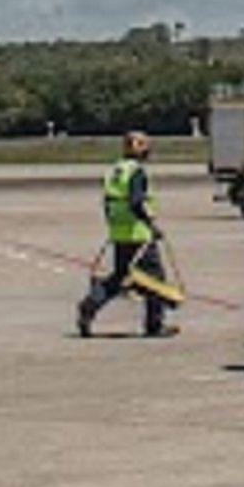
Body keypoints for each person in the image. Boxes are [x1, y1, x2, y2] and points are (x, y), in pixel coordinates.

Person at [75, 128, 176, 338]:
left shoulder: (115, 170)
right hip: (138, 233)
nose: (149, 150)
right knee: (156, 280)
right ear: (138, 149)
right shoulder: (136, 171)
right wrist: (150, 225)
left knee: (119, 277)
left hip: (119, 233)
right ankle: (154, 325)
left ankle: (90, 305)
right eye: (145, 145)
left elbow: (107, 201)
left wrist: (113, 225)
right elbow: (136, 201)